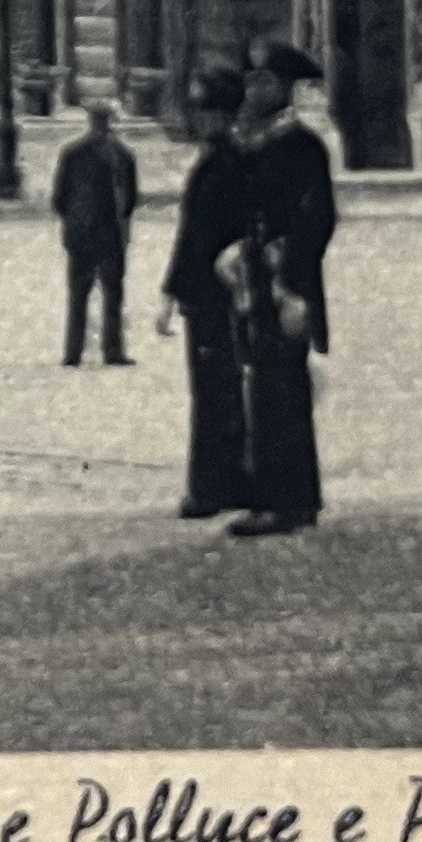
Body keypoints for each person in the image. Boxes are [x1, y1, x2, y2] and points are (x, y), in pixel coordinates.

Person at [217, 46, 338, 537]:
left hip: (287, 284)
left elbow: (319, 217)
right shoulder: (259, 143)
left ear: (285, 88)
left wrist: (286, 261)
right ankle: (294, 500)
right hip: (257, 279)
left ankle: (281, 502)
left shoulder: (303, 145)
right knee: (266, 386)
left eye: (263, 81)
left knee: (279, 390)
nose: (253, 91)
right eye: (251, 81)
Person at [153, 64, 253, 520]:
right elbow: (189, 233)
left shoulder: (229, 162)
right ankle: (229, 481)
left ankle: (212, 487)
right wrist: (171, 291)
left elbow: (203, 234)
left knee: (215, 390)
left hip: (220, 293)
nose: (202, 120)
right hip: (206, 292)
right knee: (220, 387)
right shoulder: (218, 159)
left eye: (208, 111)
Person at [51, 99, 141, 368]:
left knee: (88, 294)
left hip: (89, 232)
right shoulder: (121, 155)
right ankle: (109, 351)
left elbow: (59, 197)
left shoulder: (75, 153)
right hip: (106, 232)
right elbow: (131, 197)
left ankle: (75, 352)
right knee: (106, 294)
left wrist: (72, 219)